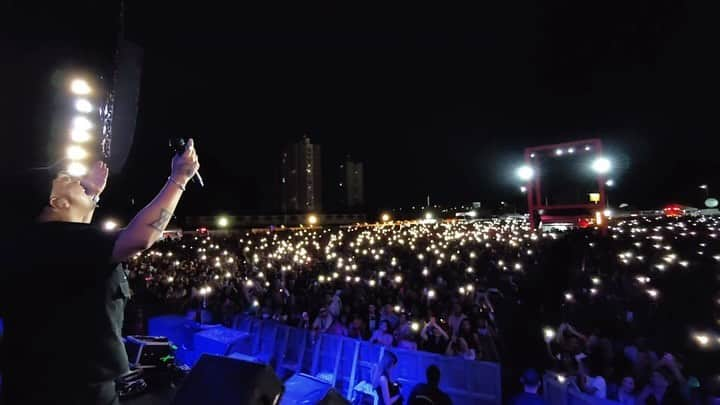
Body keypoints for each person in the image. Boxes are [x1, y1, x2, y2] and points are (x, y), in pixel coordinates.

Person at [0, 140, 200, 405]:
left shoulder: (41, 244)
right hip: (72, 391)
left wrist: (91, 196)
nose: (77, 178)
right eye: (66, 179)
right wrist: (178, 179)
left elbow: (82, 242)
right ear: (56, 201)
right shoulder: (56, 243)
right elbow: (141, 238)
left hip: (41, 385)